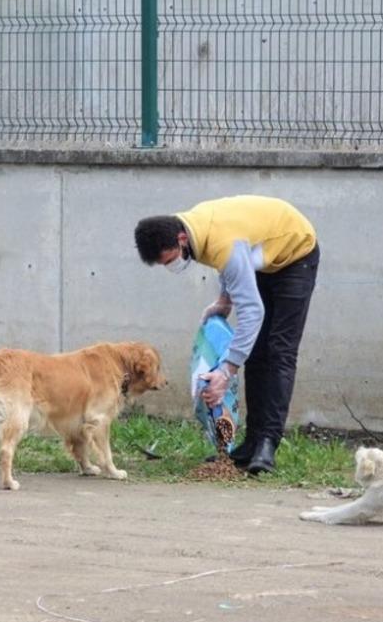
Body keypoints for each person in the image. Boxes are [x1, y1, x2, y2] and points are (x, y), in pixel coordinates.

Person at [134, 195, 320, 474]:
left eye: (170, 259)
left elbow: (250, 306)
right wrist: (224, 299)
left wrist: (227, 371)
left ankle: (268, 443)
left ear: (181, 239)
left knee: (279, 351)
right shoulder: (194, 228)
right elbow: (234, 263)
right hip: (262, 254)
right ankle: (251, 444)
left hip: (296, 254)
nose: (171, 266)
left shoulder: (221, 242)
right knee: (255, 352)